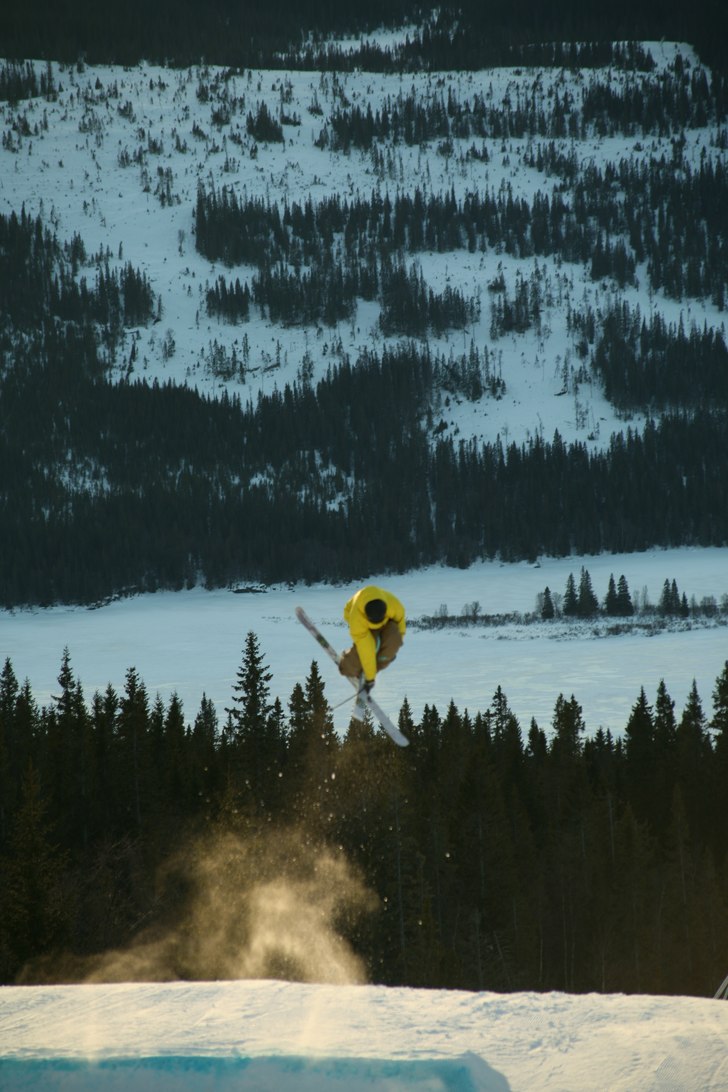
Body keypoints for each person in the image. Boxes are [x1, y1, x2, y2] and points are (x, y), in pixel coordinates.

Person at [339, 584, 406, 693]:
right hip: (362, 624)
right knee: (350, 667)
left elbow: (400, 631)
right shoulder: (357, 620)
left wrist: (391, 651)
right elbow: (367, 649)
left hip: (387, 623)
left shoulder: (394, 606)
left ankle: (370, 667)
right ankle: (348, 661)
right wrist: (370, 678)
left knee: (385, 655)